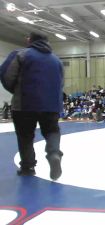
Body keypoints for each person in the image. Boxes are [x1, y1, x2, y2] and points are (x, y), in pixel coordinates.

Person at [0, 32, 63, 180]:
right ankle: (54, 153)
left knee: (25, 136)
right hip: (51, 105)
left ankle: (28, 167)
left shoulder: (20, 54)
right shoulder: (56, 60)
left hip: (25, 104)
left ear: (30, 40)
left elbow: (6, 74)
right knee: (52, 131)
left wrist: (16, 90)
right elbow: (61, 83)